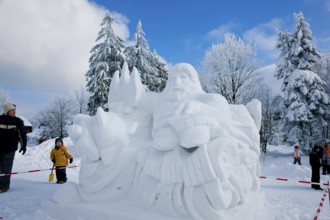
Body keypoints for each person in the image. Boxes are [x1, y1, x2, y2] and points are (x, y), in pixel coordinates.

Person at [0, 103, 27, 193]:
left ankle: (4, 186)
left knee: (6, 168)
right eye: (12, 110)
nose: (14, 112)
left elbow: (23, 134)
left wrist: (24, 145)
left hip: (10, 149)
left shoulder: (18, 121)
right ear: (7, 111)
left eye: (15, 110)